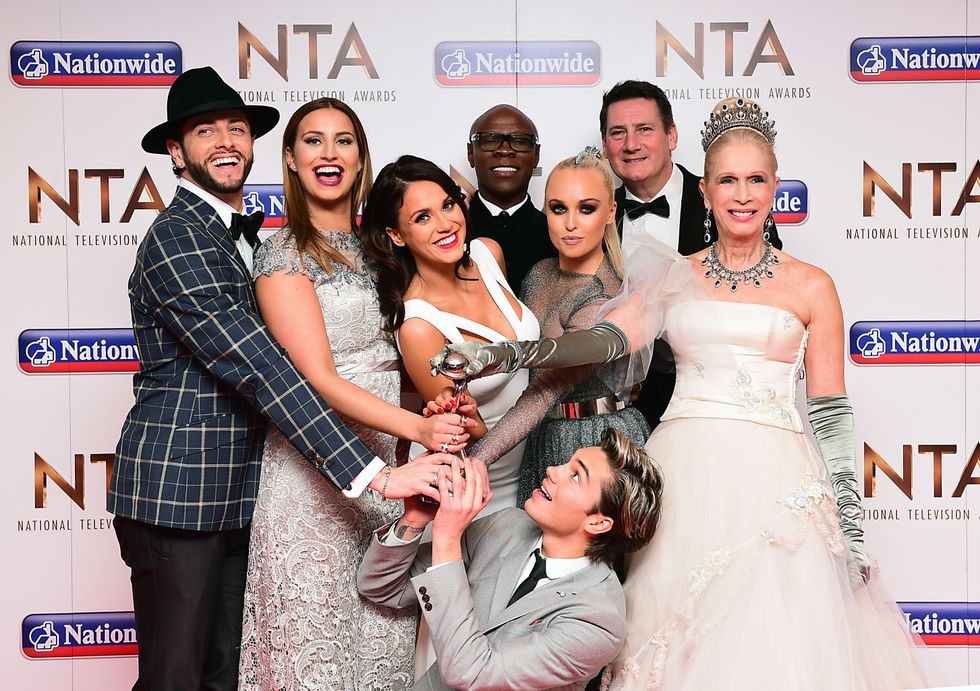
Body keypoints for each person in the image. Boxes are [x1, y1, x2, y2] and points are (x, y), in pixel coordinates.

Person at [436, 98, 930, 690]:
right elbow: (601, 343)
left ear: (775, 188)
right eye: (726, 180)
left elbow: (830, 416)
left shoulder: (813, 286)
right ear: (706, 192)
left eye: (755, 180)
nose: (741, 194)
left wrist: (850, 530)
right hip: (682, 471)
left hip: (777, 483)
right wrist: (501, 355)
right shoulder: (673, 274)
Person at [108, 68, 450, 691]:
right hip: (179, 490)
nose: (226, 141)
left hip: (243, 487)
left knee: (222, 675)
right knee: (176, 677)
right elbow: (268, 369)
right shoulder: (179, 240)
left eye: (236, 128)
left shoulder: (245, 237)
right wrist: (378, 470)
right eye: (204, 131)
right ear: (175, 152)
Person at [237, 99, 470, 689]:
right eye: (313, 141)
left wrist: (438, 405)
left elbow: (405, 347)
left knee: (379, 650)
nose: (329, 154)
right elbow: (316, 377)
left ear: (361, 156)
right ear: (290, 159)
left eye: (344, 141)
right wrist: (418, 429)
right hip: (312, 472)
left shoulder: (382, 249)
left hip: (387, 474)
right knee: (312, 651)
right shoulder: (283, 250)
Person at [356, 428, 665, 691]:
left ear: (598, 523)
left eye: (574, 476)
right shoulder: (505, 526)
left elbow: (470, 673)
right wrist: (415, 519)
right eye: (566, 463)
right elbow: (381, 587)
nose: (553, 471)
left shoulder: (598, 620)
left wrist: (447, 537)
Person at [444, 148, 651, 507]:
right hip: (541, 435)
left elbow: (545, 389)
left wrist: (476, 459)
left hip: (594, 444)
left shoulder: (602, 295)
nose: (570, 223)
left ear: (610, 213)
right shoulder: (539, 272)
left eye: (586, 209)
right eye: (558, 208)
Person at [359, 154, 540, 517]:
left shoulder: (488, 253)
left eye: (447, 205)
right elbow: (460, 430)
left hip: (536, 464)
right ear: (396, 234)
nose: (445, 224)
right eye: (422, 218)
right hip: (475, 483)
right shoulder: (418, 326)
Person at [600, 80, 782, 430]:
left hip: (714, 411)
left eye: (644, 129)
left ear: (671, 136)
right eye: (618, 133)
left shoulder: (731, 198)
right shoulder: (591, 215)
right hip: (616, 422)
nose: (631, 144)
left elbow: (763, 300)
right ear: (605, 146)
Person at [466, 104, 557, 294]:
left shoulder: (559, 235)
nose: (505, 150)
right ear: (470, 153)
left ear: (536, 155)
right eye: (489, 140)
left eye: (521, 141)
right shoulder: (449, 232)